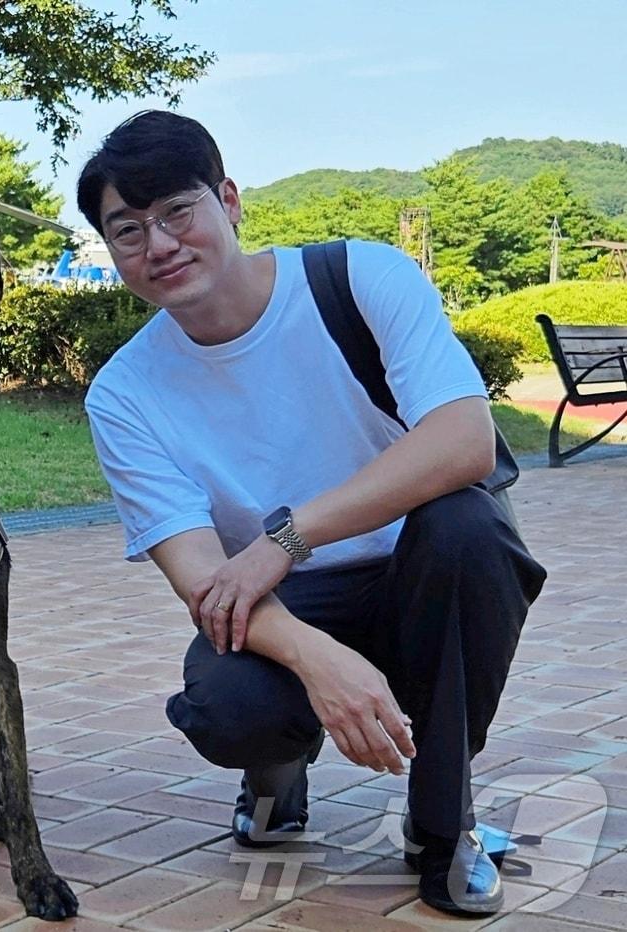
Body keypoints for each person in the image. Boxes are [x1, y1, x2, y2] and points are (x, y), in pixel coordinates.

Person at [78, 111, 546, 917]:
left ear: (229, 200)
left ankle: (443, 827)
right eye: (128, 229)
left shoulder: (359, 279)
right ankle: (276, 772)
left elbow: (464, 439)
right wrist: (316, 660)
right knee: (230, 706)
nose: (158, 244)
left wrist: (286, 538)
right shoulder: (126, 393)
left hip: (416, 570)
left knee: (471, 529)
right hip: (286, 605)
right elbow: (201, 580)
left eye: (176, 212)